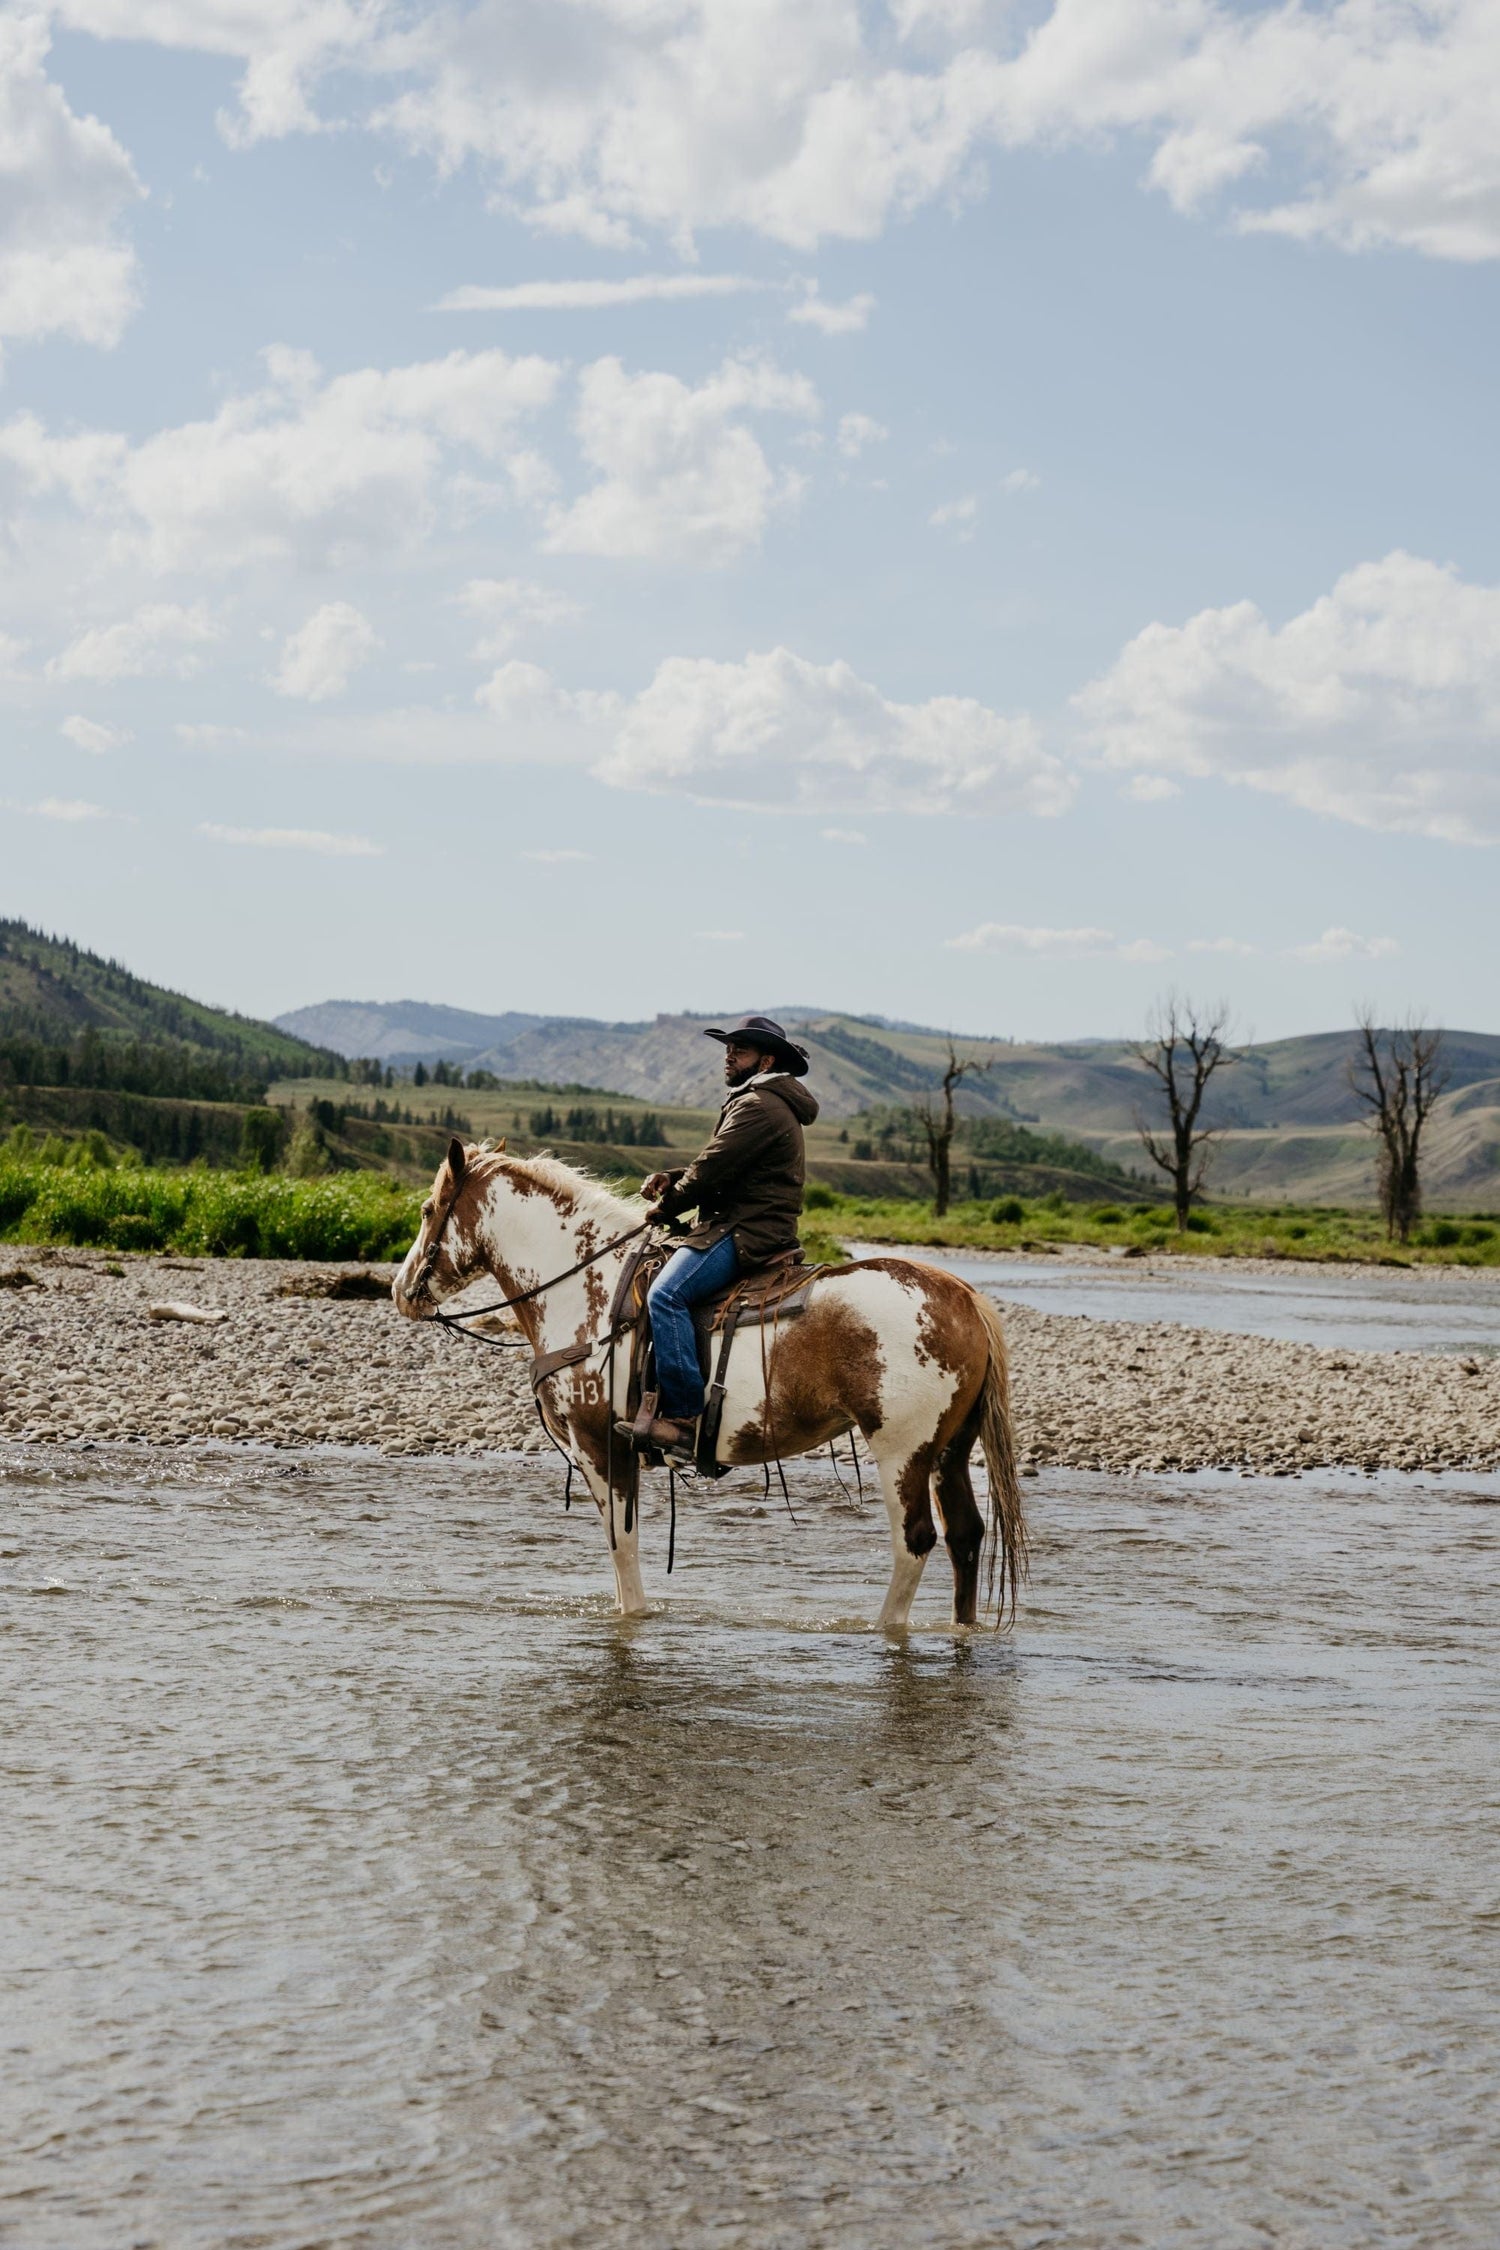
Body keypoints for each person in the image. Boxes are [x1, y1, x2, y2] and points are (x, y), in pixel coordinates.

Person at [635, 1014, 820, 1455]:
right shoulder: (762, 1100)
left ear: (766, 1060)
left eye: (741, 1050)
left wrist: (669, 1204)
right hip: (745, 1221)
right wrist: (674, 1177)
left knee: (666, 1295)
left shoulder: (759, 1105)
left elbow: (713, 1168)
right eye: (728, 1048)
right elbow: (726, 1166)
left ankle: (682, 1417)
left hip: (745, 1230)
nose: (729, 1056)